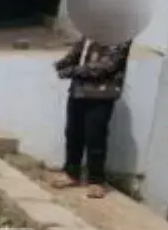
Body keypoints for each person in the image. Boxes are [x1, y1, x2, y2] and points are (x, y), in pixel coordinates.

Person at [53, 35, 131, 198]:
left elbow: (107, 66)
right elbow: (75, 53)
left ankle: (96, 181)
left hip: (101, 95)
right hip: (78, 92)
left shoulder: (120, 34)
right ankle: (71, 173)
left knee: (95, 137)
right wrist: (62, 63)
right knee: (73, 134)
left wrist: (71, 71)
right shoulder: (88, 32)